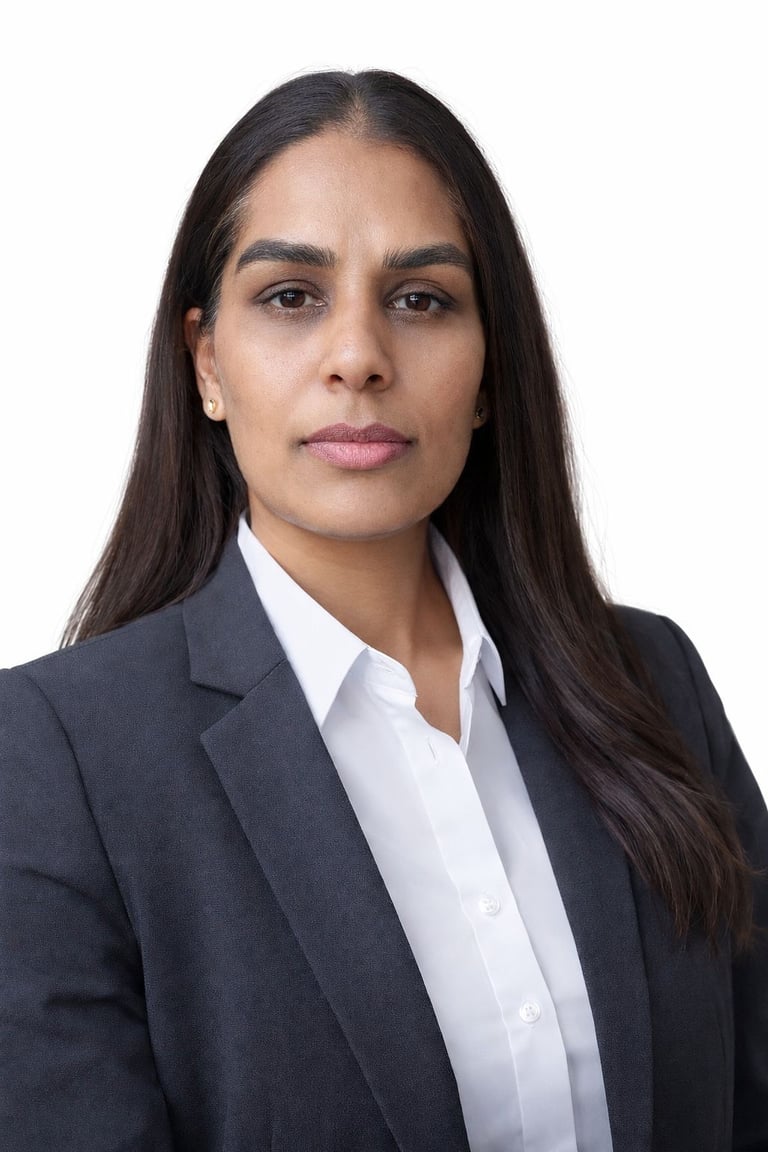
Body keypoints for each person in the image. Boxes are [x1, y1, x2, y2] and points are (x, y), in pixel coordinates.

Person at [0, 70, 765, 1152]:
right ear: (206, 364)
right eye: (290, 297)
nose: (357, 356)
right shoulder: (54, 758)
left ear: (489, 370)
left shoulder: (653, 683)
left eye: (421, 300)